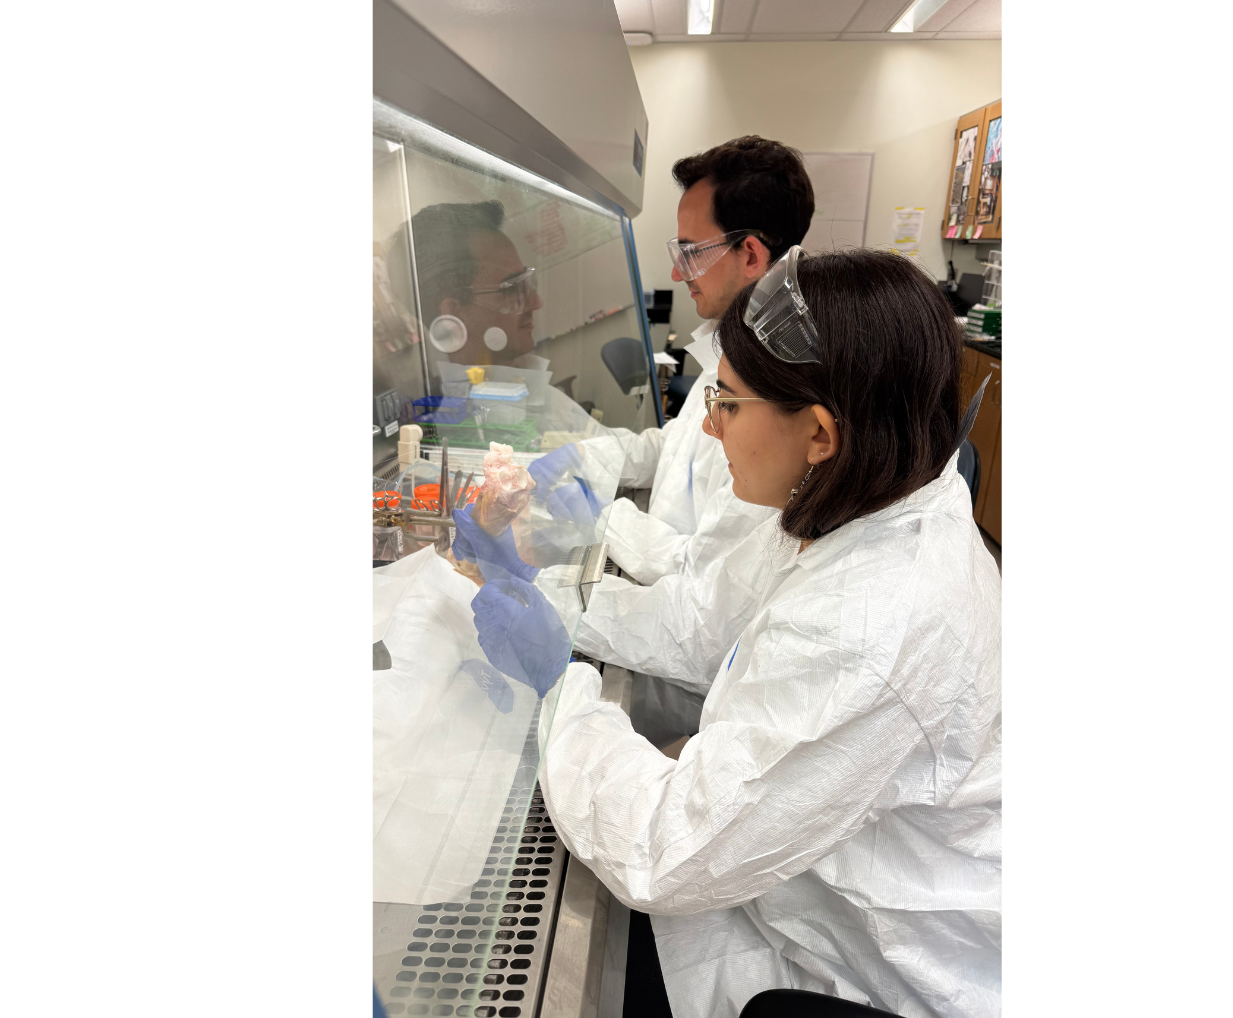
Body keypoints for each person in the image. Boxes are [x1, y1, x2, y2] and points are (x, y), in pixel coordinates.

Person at [534, 248, 1002, 1018]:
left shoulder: (872, 621)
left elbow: (667, 851)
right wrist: (558, 604)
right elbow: (713, 619)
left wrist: (561, 689)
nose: (711, 427)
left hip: (872, 974)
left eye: (730, 403)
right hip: (817, 874)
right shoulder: (863, 499)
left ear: (819, 433)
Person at [560, 135, 815, 747]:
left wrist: (600, 516)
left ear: (750, 253)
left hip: (693, 701)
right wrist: (584, 458)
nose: (677, 271)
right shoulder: (732, 347)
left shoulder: (783, 392)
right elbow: (674, 446)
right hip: (663, 643)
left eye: (690, 251)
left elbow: (710, 602)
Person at [388, 200, 547, 369]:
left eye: (527, 282)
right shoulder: (490, 394)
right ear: (454, 313)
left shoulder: (532, 388)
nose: (537, 303)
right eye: (512, 288)